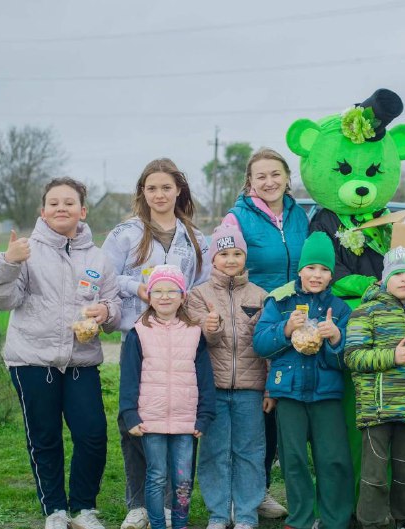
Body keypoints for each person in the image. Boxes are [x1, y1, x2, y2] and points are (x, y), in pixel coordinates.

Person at [0, 178, 121, 529]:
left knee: (91, 434)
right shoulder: (26, 251)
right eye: (54, 202)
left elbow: (113, 304)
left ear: (83, 210)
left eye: (69, 202)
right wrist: (8, 262)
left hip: (81, 361)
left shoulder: (98, 257)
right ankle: (56, 510)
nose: (62, 208)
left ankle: (84, 508)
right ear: (43, 211)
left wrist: (106, 312)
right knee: (44, 437)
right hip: (33, 360)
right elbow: (2, 299)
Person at [102, 158, 209, 529]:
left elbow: (201, 284)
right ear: (142, 193)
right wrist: (139, 288)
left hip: (180, 337)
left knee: (176, 416)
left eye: (166, 187)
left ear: (178, 189)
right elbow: (105, 277)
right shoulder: (124, 234)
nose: (159, 194)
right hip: (138, 332)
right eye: (152, 188)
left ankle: (167, 505)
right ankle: (137, 503)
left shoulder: (195, 237)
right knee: (136, 417)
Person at [222, 147, 309, 518]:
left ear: (287, 177)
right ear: (250, 181)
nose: (269, 182)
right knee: (251, 410)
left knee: (277, 408)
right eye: (261, 176)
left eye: (275, 174)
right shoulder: (236, 218)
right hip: (254, 322)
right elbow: (223, 267)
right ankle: (234, 494)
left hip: (295, 324)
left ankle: (258, 490)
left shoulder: (299, 214)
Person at [252, 231, 354, 529]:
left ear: (331, 274)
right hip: (290, 394)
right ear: (300, 269)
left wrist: (336, 338)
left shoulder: (341, 308)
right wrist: (286, 328)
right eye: (311, 268)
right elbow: (260, 344)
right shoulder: (280, 301)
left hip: (327, 395)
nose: (317, 275)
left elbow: (345, 360)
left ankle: (334, 518)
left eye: (324, 270)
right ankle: (300, 518)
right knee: (293, 459)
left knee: (333, 459)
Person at [119, 265, 216, 529]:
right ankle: (159, 525)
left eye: (171, 290)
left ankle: (181, 524)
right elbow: (129, 378)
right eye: (157, 291)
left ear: (183, 296)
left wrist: (204, 415)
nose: (164, 296)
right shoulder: (138, 333)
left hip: (186, 420)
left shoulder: (194, 333)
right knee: (157, 476)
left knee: (183, 479)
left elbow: (205, 378)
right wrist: (130, 414)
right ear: (149, 296)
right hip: (151, 419)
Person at [186, 225, 268, 529]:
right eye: (223, 253)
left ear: (244, 257)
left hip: (251, 389)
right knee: (214, 452)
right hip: (213, 389)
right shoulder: (198, 295)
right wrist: (210, 327)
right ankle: (218, 514)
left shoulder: (260, 296)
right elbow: (197, 342)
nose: (230, 259)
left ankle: (246, 514)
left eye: (236, 253)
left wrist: (269, 390)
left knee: (249, 451)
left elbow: (268, 346)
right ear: (213, 259)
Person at [345, 246, 405, 529]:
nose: (404, 279)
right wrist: (390, 357)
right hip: (377, 408)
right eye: (397, 274)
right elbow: (352, 356)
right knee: (375, 474)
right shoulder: (365, 312)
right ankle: (371, 522)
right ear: (384, 278)